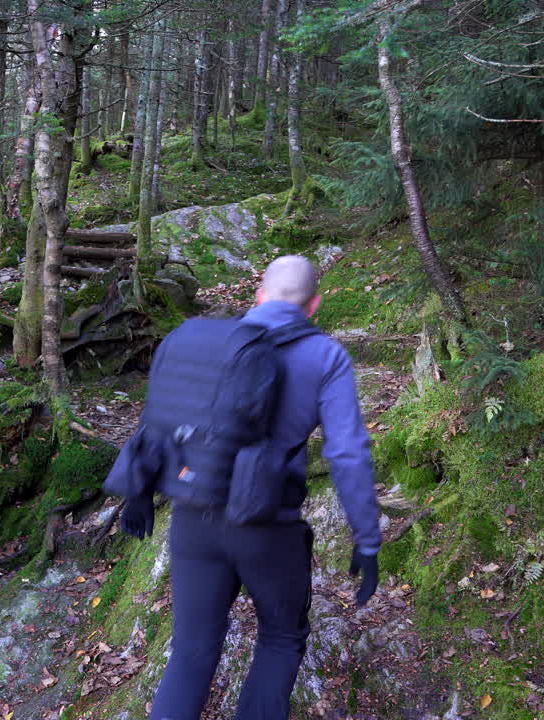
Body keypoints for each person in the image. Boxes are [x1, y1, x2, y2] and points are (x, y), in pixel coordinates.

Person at [126, 255, 382, 720]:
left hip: (193, 516)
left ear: (259, 295)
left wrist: (137, 490)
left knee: (191, 650)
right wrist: (366, 539)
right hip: (268, 524)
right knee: (281, 639)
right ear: (314, 304)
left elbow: (160, 417)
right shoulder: (325, 357)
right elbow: (347, 454)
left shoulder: (207, 344)